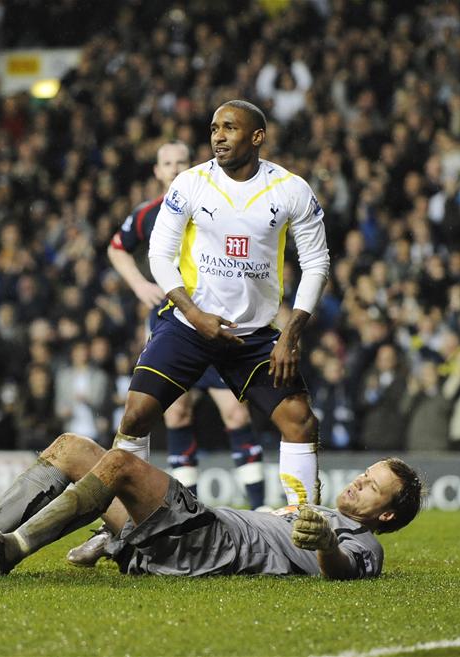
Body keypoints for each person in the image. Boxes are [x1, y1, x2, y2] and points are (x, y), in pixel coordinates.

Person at [116, 99, 330, 511]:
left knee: (301, 421)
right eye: (214, 128)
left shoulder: (291, 190)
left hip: (251, 336)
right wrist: (194, 314)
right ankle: (128, 523)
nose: (218, 136)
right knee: (136, 415)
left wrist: (290, 333)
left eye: (229, 128)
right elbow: (160, 255)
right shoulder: (190, 184)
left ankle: (303, 523)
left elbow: (317, 261)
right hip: (187, 325)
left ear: (257, 137)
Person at [0, 432, 424, 580]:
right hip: (193, 534)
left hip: (209, 542)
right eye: (364, 474)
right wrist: (111, 539)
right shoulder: (316, 514)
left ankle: (10, 549)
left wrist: (329, 544)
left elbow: (345, 572)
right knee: (70, 450)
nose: (358, 484)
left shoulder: (362, 542)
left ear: (385, 514)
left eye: (372, 487)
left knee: (123, 465)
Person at [105, 140, 266, 508]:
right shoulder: (147, 214)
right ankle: (188, 512)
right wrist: (139, 284)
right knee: (177, 412)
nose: (175, 169)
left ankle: (260, 508)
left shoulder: (214, 206)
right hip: (169, 321)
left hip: (215, 318)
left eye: (182, 162)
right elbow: (117, 247)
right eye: (167, 163)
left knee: (234, 410)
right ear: (158, 172)